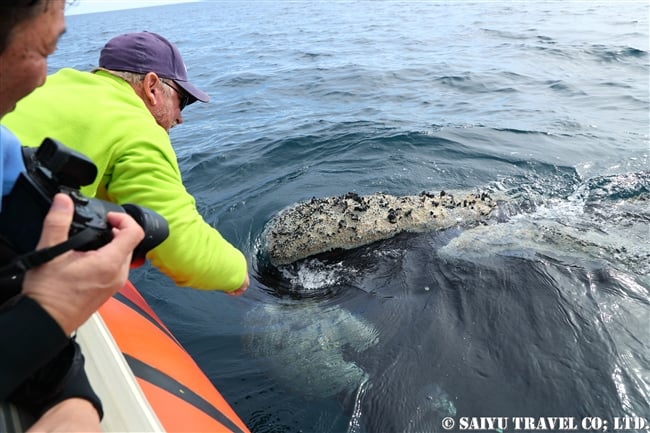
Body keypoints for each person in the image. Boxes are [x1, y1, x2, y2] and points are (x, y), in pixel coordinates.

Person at [2, 31, 251, 295]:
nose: (180, 118)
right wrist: (238, 274)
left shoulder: (53, 84)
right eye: (183, 101)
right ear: (152, 87)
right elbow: (179, 243)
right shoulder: (135, 124)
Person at [0, 1, 145, 431]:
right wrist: (49, 312)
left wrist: (74, 400)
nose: (43, 77)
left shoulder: (6, 156)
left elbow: (56, 380)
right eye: (43, 50)